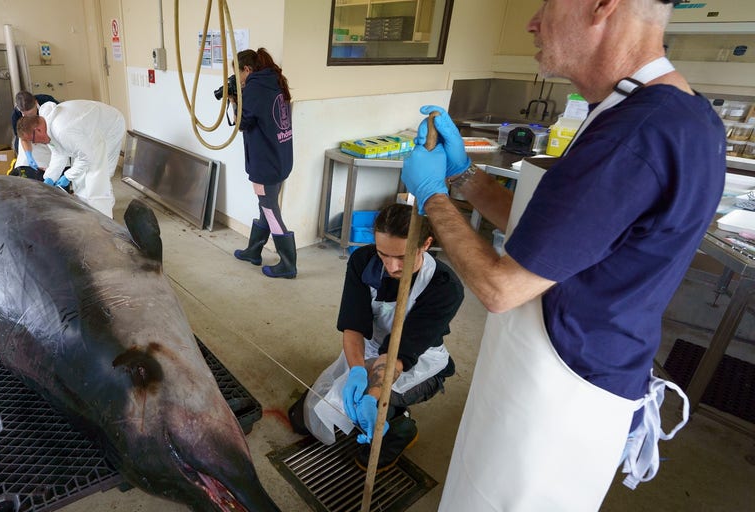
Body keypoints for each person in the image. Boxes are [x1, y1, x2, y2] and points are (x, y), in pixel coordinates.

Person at [400, 1, 723, 509]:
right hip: (581, 368)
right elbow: (560, 236)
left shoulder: (636, 133)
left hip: (560, 391)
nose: (532, 21)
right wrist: (465, 176)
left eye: (547, 4)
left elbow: (500, 287)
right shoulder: (670, 111)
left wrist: (431, 195)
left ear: (602, 6)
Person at [288, 203, 463, 472]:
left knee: (371, 405)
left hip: (414, 362)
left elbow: (399, 353)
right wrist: (357, 371)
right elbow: (354, 327)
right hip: (370, 349)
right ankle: (375, 404)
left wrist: (372, 394)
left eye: (402, 257)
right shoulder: (363, 261)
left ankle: (400, 427)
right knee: (302, 419)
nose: (392, 266)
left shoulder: (444, 287)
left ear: (426, 244)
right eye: (384, 254)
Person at [229, 48, 296, 279]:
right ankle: (253, 251)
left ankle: (288, 263)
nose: (238, 80)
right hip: (280, 158)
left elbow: (242, 122)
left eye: (238, 74)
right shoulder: (274, 81)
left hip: (266, 162)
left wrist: (234, 102)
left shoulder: (255, 87)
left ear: (247, 69)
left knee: (269, 208)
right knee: (265, 206)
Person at [15, 100, 126, 218]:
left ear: (38, 130)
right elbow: (59, 153)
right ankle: (91, 211)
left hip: (108, 127)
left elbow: (87, 157)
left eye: (33, 140)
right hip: (89, 131)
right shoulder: (47, 126)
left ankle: (104, 220)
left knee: (97, 177)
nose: (35, 143)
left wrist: (67, 177)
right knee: (81, 179)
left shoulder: (62, 130)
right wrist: (49, 177)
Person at [12, 90, 57, 171]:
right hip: (29, 140)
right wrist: (29, 156)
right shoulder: (16, 115)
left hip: (51, 134)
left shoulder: (48, 102)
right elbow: (23, 138)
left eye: (31, 114)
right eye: (25, 115)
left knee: (56, 157)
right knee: (25, 163)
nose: (30, 118)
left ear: (36, 103)